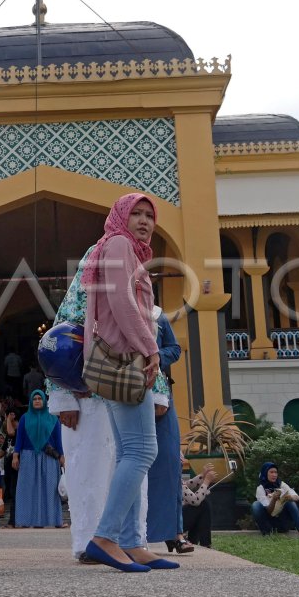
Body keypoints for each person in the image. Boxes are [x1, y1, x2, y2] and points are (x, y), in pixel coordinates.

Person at [78, 193, 175, 573]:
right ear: (120, 216)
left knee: (128, 452)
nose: (144, 220)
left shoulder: (127, 251)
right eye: (135, 212)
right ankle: (105, 537)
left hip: (123, 358)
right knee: (142, 451)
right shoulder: (118, 244)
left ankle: (132, 543)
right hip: (125, 359)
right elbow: (121, 301)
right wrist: (151, 348)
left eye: (150, 215)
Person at [145, 306, 183, 552]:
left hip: (159, 395)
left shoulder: (158, 315)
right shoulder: (115, 310)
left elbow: (175, 349)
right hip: (124, 393)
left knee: (168, 462)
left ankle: (174, 532)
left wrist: (155, 355)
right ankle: (133, 536)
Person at [12, 389, 65, 528]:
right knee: (27, 489)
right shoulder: (25, 418)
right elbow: (19, 438)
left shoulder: (53, 418)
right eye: (34, 399)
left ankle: (53, 520)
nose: (37, 401)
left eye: (39, 399)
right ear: (31, 401)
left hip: (49, 458)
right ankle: (26, 520)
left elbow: (58, 440)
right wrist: (15, 455)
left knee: (50, 489)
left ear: (44, 401)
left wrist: (62, 456)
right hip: (29, 456)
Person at [251, 462, 299, 536]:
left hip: (282, 522)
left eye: (276, 472)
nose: (274, 475)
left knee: (290, 502)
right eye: (271, 472)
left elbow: (296, 497)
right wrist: (274, 499)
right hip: (269, 522)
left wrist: (290, 497)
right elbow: (269, 511)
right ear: (265, 473)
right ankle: (267, 532)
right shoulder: (260, 488)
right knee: (255, 505)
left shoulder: (281, 484)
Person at [174, 458, 219, 550]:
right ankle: (205, 543)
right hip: (173, 523)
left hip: (169, 519)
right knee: (202, 504)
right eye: (181, 459)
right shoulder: (174, 478)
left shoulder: (170, 475)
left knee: (200, 506)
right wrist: (206, 482)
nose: (183, 460)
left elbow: (186, 484)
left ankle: (198, 542)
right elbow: (196, 500)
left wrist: (202, 475)